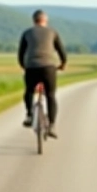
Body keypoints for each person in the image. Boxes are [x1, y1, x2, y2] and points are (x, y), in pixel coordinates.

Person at [17, 9, 67, 137]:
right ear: (46, 20)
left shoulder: (27, 33)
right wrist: (62, 64)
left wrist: (24, 66)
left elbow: (21, 54)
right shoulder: (53, 32)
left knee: (29, 91)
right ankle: (52, 126)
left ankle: (29, 115)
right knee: (50, 95)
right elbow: (62, 52)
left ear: (34, 21)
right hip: (49, 68)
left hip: (31, 67)